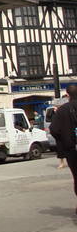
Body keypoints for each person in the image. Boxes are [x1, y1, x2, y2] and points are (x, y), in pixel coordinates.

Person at [50, 85, 77, 214]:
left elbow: (54, 129)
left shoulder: (62, 110)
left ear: (68, 95)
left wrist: (64, 140)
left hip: (72, 149)